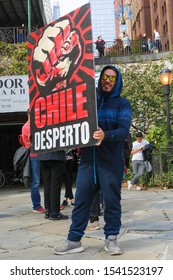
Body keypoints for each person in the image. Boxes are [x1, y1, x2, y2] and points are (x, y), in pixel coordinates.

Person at [54, 65, 132, 255]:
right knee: (81, 201)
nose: (108, 81)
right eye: (105, 77)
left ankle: (111, 239)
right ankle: (74, 240)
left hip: (110, 162)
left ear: (117, 81)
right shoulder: (89, 100)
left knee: (112, 202)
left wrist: (106, 135)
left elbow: (123, 131)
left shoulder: (123, 104)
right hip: (88, 162)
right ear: (100, 78)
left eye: (112, 78)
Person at [21, 109, 45, 213]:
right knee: (36, 182)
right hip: (34, 156)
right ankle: (36, 206)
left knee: (38, 181)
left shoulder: (33, 125)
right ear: (30, 114)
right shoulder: (27, 127)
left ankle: (39, 205)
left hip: (38, 155)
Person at [38, 150, 68, 220]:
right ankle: (55, 213)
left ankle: (48, 211)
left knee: (47, 185)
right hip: (57, 156)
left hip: (43, 156)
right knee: (55, 185)